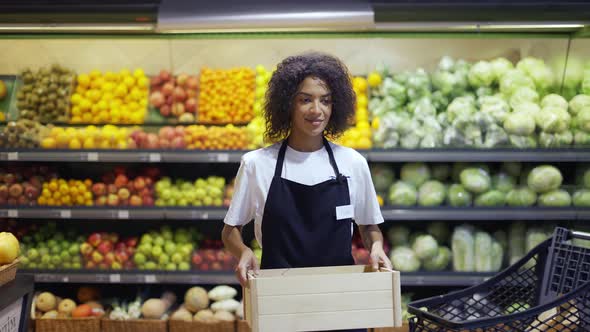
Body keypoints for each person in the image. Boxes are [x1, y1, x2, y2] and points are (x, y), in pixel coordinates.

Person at [222, 52, 392, 331]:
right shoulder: (257, 164)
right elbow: (230, 231)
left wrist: (376, 247)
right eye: (305, 99)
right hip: (280, 304)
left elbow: (369, 225)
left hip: (340, 302)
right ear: (287, 103)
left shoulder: (353, 163)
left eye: (325, 100)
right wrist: (242, 252)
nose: (317, 110)